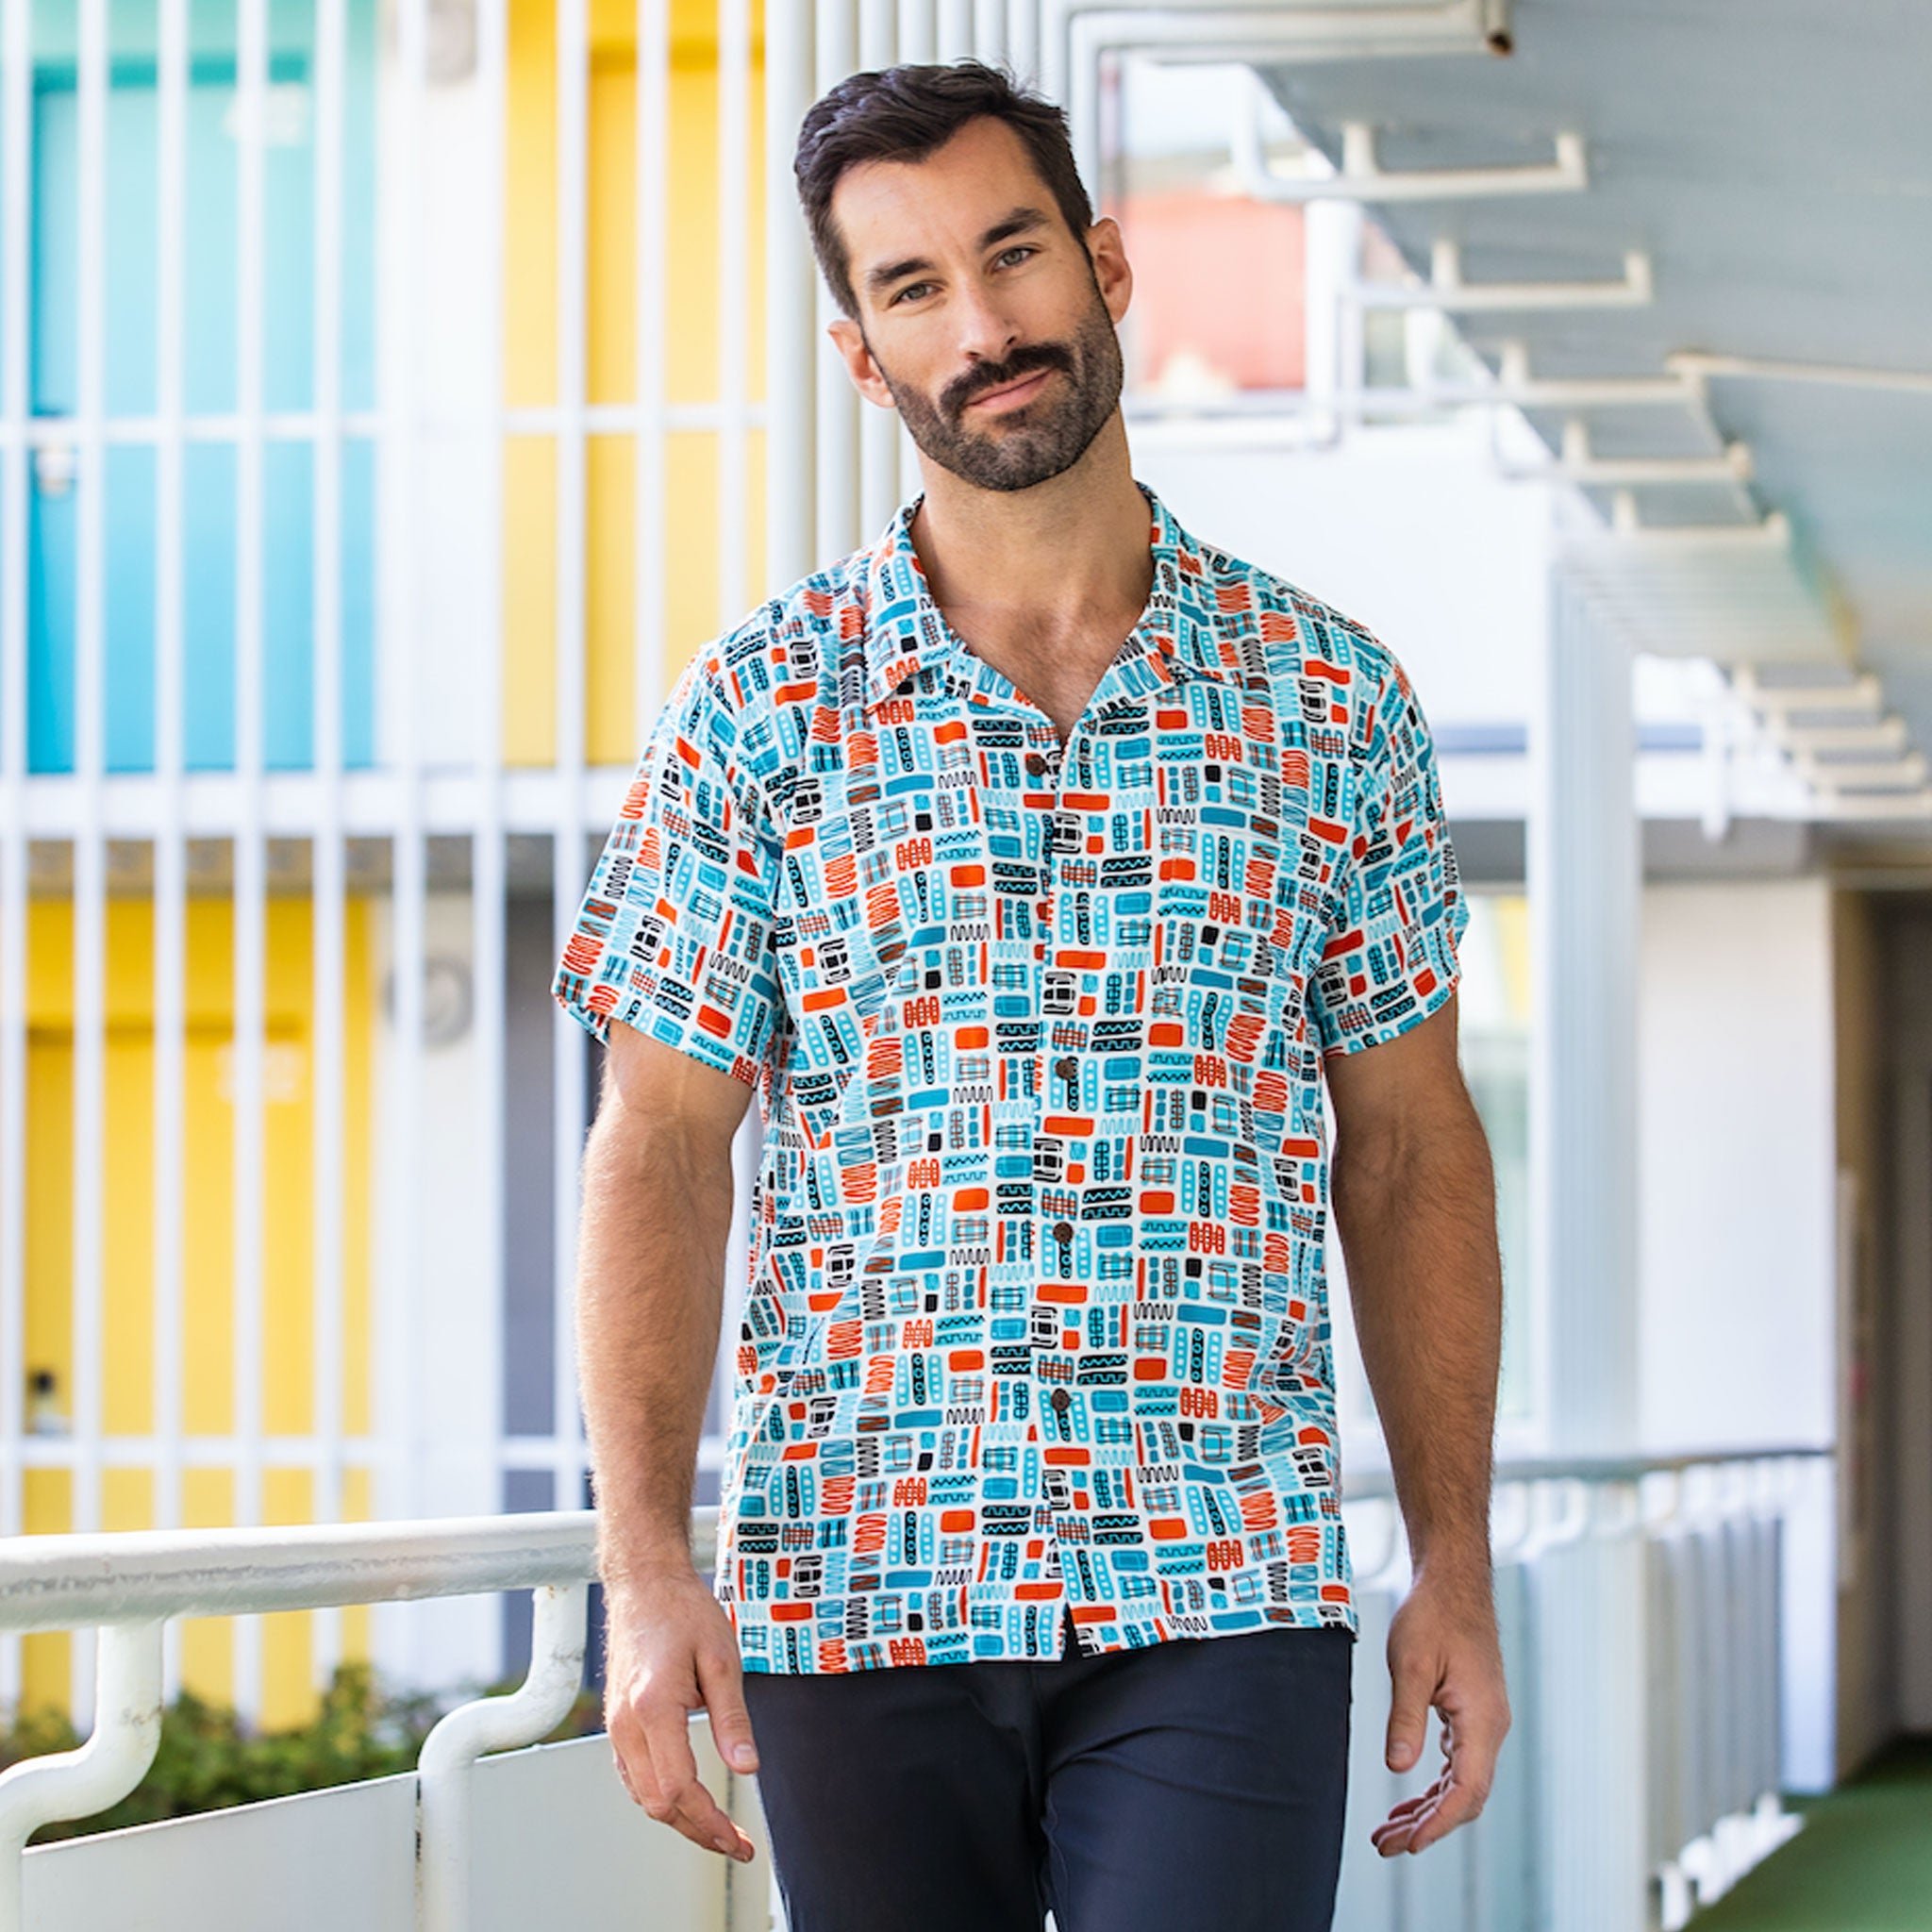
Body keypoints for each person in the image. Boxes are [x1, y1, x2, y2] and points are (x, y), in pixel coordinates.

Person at [552, 58, 1508, 1932]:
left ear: (1107, 262)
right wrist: (642, 1558)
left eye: (1012, 257)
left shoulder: (1331, 704)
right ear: (859, 352)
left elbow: (1406, 1147)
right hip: (863, 1591)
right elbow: (658, 1145)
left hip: (1217, 1590)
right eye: (912, 288)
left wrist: (1452, 1556)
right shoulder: (757, 708)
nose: (982, 327)